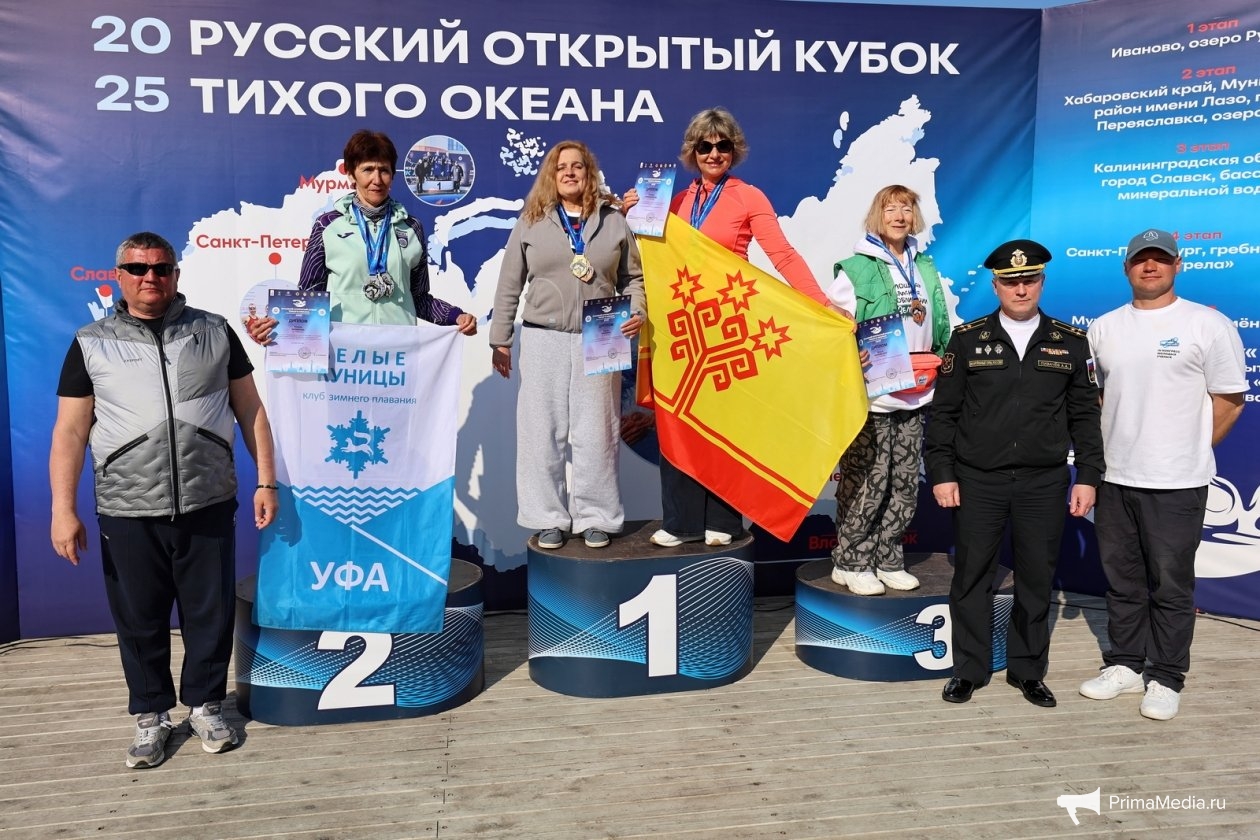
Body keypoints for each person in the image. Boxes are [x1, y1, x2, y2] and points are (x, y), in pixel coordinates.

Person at [50, 232, 278, 769]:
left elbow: (251, 410)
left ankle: (205, 705)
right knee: (139, 619)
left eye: (160, 268)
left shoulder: (214, 331)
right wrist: (63, 509)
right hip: (127, 508)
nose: (149, 277)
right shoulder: (91, 342)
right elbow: (70, 431)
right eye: (137, 268)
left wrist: (267, 480)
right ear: (119, 276)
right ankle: (151, 715)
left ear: (175, 274)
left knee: (209, 614)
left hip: (207, 500)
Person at [625, 106, 832, 547]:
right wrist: (633, 216)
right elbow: (652, 259)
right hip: (681, 325)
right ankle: (679, 522)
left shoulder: (748, 197)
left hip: (729, 324)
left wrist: (824, 305)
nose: (714, 153)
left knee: (728, 422)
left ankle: (724, 518)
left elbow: (783, 255)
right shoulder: (673, 202)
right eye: (705, 146)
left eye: (722, 145)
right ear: (693, 151)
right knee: (679, 419)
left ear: (733, 150)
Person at [925, 240, 1104, 707]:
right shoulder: (967, 339)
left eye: (1029, 280)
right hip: (977, 480)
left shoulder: (1070, 341)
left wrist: (1088, 476)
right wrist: (942, 472)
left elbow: (1085, 416)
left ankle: (1027, 671)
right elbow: (944, 414)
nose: (1020, 289)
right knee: (972, 576)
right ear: (996, 285)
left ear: (1042, 282)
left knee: (1036, 579)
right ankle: (968, 669)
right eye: (1010, 281)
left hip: (1042, 482)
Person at [1080, 229, 1247, 720]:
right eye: (1140, 260)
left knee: (1171, 586)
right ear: (1126, 268)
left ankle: (1167, 676)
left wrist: (1187, 448)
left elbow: (1230, 400)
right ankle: (1126, 665)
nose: (1149, 267)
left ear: (1178, 265)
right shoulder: (1104, 328)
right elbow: (1098, 398)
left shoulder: (1207, 324)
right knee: (1123, 581)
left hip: (1177, 482)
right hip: (1116, 478)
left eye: (1160, 259)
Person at [490, 140, 645, 550]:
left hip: (603, 332)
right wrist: (500, 339)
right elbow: (509, 283)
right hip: (544, 335)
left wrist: (637, 310)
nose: (570, 172)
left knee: (598, 432)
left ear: (589, 173)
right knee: (541, 431)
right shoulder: (532, 220)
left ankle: (597, 517)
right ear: (551, 175)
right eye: (561, 167)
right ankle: (547, 517)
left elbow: (633, 278)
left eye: (578, 166)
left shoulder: (613, 220)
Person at [825, 185, 950, 595]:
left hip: (917, 390)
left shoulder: (924, 264)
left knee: (904, 481)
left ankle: (887, 556)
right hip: (873, 393)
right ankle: (851, 559)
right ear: (877, 216)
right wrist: (850, 352)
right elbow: (832, 324)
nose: (899, 216)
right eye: (890, 208)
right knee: (868, 480)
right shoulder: (856, 268)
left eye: (906, 208)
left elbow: (937, 318)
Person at [247, 130, 476, 339]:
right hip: (345, 352)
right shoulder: (327, 225)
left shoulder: (411, 227)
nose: (377, 179)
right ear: (351, 175)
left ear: (392, 175)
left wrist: (456, 316)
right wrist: (275, 328)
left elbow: (418, 298)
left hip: (397, 352)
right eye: (367, 169)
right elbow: (308, 296)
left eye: (384, 170)